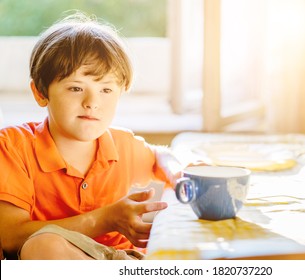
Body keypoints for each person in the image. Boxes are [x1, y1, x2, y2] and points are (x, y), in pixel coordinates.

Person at [0, 12, 184, 260]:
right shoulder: (13, 146)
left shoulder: (123, 145)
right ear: (41, 92)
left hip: (122, 258)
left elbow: (159, 155)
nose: (92, 103)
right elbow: (10, 237)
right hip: (53, 257)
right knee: (43, 246)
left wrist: (175, 169)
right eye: (76, 88)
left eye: (106, 89)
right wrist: (105, 219)